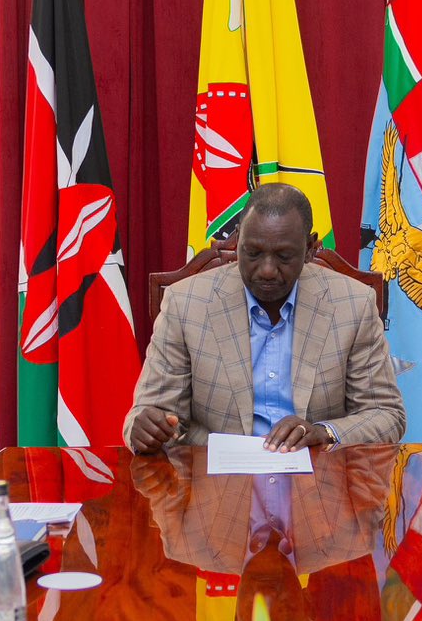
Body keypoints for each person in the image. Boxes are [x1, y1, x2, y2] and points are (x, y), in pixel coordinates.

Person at [123, 184, 405, 453]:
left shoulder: (353, 304)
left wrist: (324, 432)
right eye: (253, 253)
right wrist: (145, 429)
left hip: (319, 485)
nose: (267, 270)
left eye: (284, 256)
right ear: (237, 243)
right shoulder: (186, 304)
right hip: (216, 487)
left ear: (310, 249)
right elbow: (151, 411)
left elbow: (386, 415)